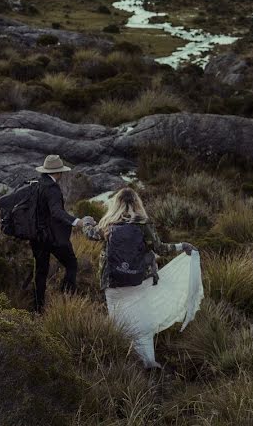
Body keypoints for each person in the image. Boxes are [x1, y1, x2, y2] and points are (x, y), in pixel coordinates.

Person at [82, 187, 203, 369]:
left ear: (116, 204)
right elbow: (160, 248)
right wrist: (182, 245)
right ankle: (148, 363)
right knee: (142, 325)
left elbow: (90, 234)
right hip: (138, 280)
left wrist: (86, 222)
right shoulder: (143, 224)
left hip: (112, 282)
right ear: (137, 203)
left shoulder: (108, 223)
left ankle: (123, 363)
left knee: (118, 322)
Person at [31, 154, 93, 313]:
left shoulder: (38, 184)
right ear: (58, 173)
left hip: (37, 236)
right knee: (72, 264)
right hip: (52, 237)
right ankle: (67, 297)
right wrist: (77, 222)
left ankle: (38, 308)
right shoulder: (52, 189)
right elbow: (57, 212)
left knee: (41, 271)